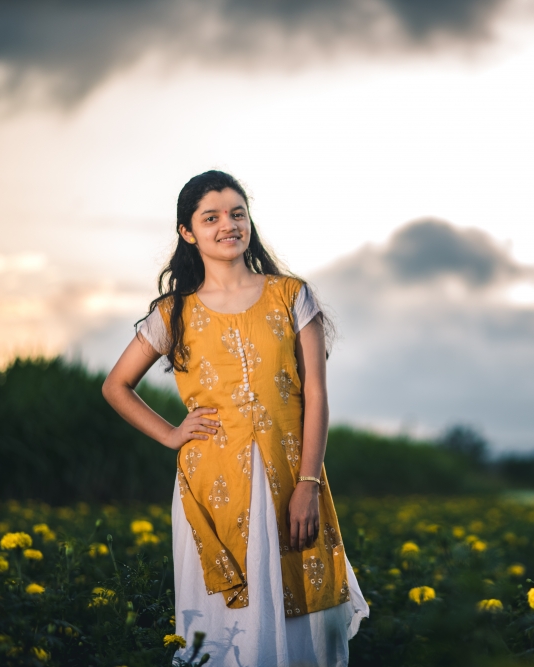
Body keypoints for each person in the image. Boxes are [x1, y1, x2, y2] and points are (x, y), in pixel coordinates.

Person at [102, 170, 368, 666]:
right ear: (188, 232)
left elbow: (315, 391)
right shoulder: (173, 312)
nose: (228, 224)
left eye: (237, 213)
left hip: (292, 478)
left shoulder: (291, 296)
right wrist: (171, 434)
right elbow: (116, 386)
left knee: (304, 620)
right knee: (227, 629)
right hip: (210, 486)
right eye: (212, 217)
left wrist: (308, 483)